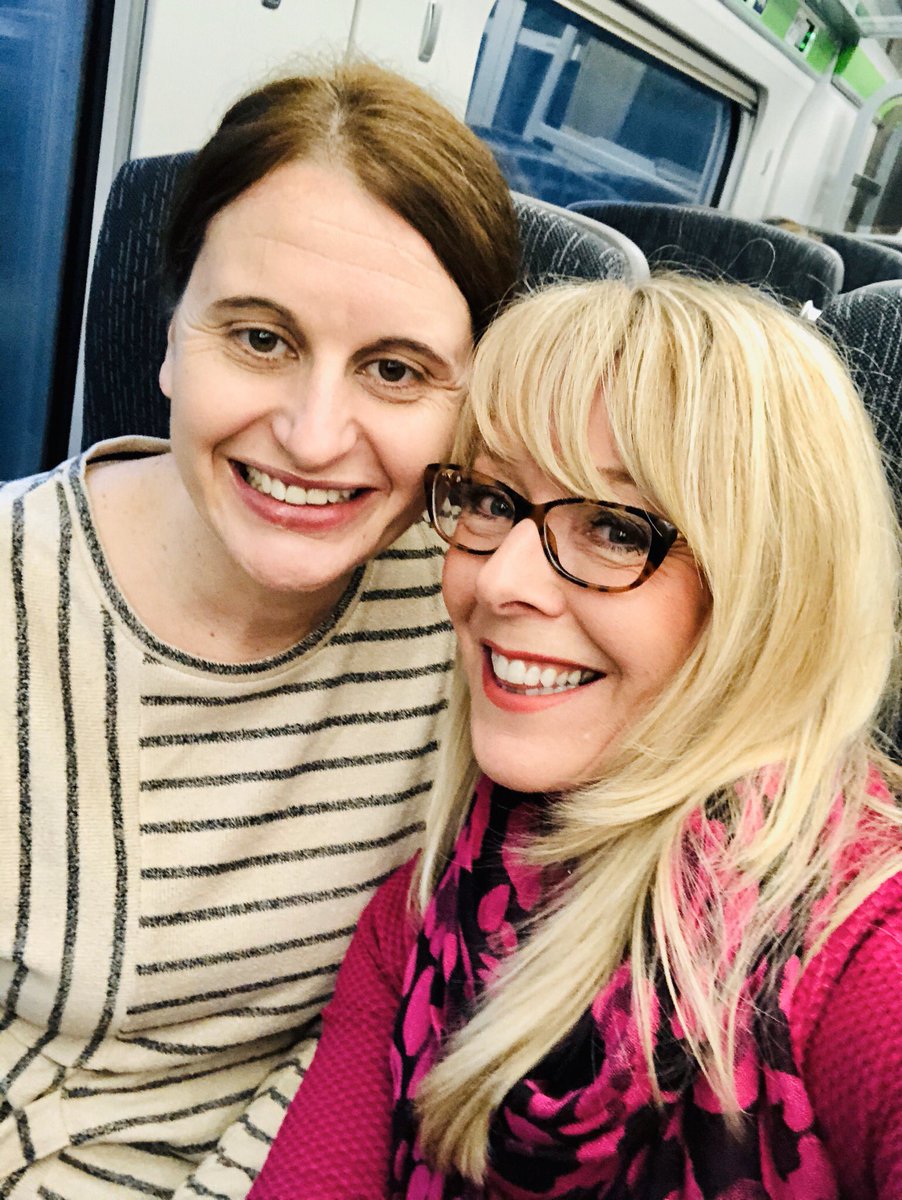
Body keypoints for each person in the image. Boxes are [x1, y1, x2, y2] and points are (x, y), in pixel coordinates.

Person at [249, 276, 902, 1199]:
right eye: (491, 500)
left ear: (768, 593)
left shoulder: (859, 960)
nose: (498, 581)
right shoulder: (424, 919)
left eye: (613, 527)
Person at [0, 63, 520, 1199]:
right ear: (169, 339)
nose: (313, 436)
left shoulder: (487, 620)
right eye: (260, 339)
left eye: (394, 370)